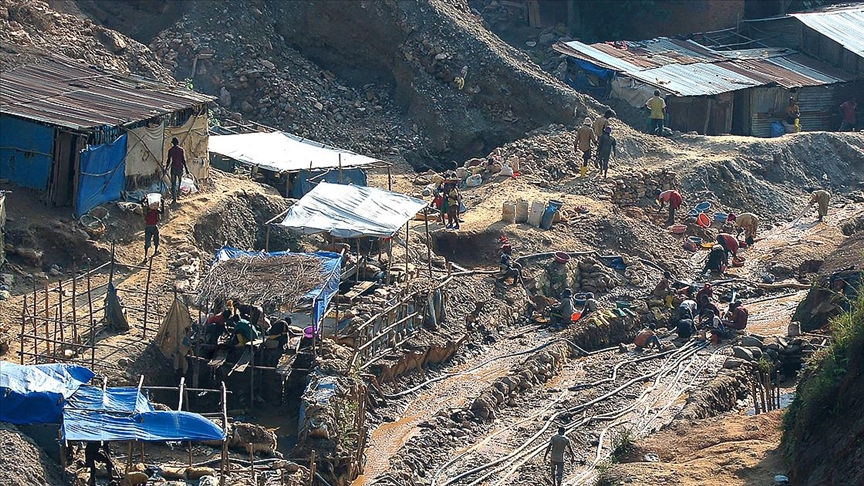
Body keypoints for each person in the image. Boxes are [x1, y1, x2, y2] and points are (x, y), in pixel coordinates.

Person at [165, 137, 190, 204]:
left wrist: (166, 168)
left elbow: (168, 160)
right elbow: (183, 160)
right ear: (178, 142)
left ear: (172, 143)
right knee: (179, 182)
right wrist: (186, 169)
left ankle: (174, 198)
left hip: (173, 168)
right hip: (180, 168)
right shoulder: (181, 150)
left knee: (173, 183)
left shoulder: (170, 150)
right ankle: (178, 195)